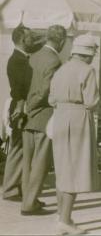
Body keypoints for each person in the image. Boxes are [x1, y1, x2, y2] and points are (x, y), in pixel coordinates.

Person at [48, 34, 100, 234]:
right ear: (88, 54)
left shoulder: (61, 69)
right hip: (78, 119)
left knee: (62, 168)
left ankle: (61, 216)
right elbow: (91, 101)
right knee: (75, 169)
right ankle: (65, 221)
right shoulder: (87, 71)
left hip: (60, 117)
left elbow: (51, 99)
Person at [21, 25, 67, 215]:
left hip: (28, 117)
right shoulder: (54, 61)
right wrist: (33, 106)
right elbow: (45, 89)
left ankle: (28, 199)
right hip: (43, 115)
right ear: (62, 41)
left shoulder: (33, 56)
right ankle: (29, 204)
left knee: (28, 162)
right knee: (40, 162)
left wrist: (26, 108)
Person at [2, 25, 34, 200]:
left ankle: (14, 187)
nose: (32, 40)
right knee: (17, 148)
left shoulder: (20, 58)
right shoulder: (18, 60)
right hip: (20, 107)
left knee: (20, 147)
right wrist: (21, 108)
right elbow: (19, 88)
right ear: (22, 39)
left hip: (21, 105)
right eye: (30, 37)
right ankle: (10, 189)